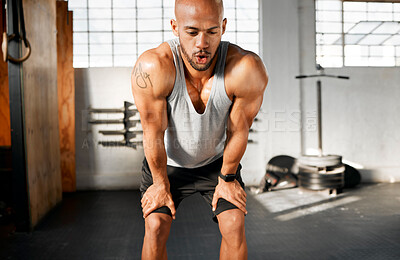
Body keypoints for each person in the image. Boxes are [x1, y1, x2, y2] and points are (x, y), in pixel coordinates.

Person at [131, 0, 268, 259]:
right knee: (155, 226)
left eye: (212, 31)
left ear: (224, 27)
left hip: (217, 163)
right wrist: (160, 183)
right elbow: (152, 133)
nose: (202, 43)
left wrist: (227, 179)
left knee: (234, 225)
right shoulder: (155, 66)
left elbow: (239, 131)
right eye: (192, 32)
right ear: (175, 27)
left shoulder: (244, 68)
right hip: (167, 164)